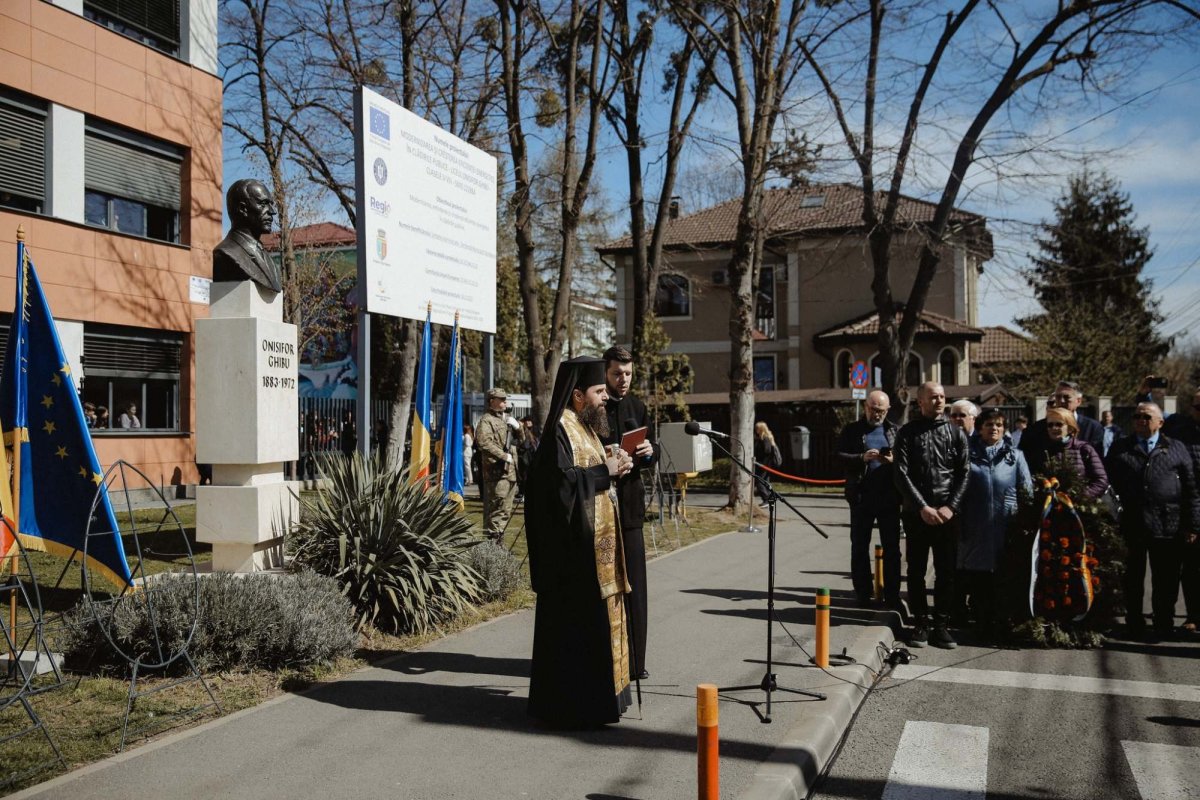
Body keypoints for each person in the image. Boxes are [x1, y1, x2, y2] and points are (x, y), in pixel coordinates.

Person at [525, 356, 634, 727]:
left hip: (592, 549)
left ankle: (600, 703)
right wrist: (606, 471)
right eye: (599, 391)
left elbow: (581, 470)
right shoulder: (560, 429)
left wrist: (610, 459)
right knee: (576, 635)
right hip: (573, 557)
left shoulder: (584, 428)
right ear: (576, 395)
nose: (606, 398)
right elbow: (560, 487)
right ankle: (575, 708)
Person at [1105, 402, 1200, 640]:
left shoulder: (1176, 448)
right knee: (1132, 578)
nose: (1140, 420)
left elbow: (1191, 490)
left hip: (1168, 525)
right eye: (1137, 416)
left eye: (1146, 416)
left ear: (1160, 423)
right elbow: (1107, 485)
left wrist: (1192, 525)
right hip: (1131, 524)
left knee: (1166, 580)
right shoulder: (1120, 448)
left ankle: (1163, 622)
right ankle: (1134, 622)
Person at [894, 381, 970, 649]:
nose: (939, 401)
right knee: (915, 570)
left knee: (946, 571)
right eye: (933, 397)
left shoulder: (956, 434)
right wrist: (922, 507)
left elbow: (964, 473)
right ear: (920, 402)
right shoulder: (907, 433)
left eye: (942, 397)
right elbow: (901, 473)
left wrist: (951, 506)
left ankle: (941, 625)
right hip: (917, 514)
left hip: (948, 514)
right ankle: (920, 624)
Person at [600, 345, 657, 681]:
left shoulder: (637, 406)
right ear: (605, 374)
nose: (623, 380)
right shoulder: (595, 406)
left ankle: (636, 661)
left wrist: (650, 452)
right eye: (617, 374)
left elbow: (651, 454)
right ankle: (607, 657)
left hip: (631, 506)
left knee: (636, 586)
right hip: (602, 507)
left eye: (628, 374)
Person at [957, 409, 1031, 634]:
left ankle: (999, 621)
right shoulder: (967, 455)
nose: (995, 428)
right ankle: (978, 618)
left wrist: (1022, 519)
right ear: (980, 428)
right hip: (974, 524)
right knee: (976, 574)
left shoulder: (1015, 456)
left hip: (1005, 525)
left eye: (999, 424)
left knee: (1002, 574)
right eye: (989, 424)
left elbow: (1026, 490)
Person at [835, 390, 901, 607]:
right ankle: (862, 592)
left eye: (881, 411)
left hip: (889, 497)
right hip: (861, 496)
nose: (877, 414)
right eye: (873, 409)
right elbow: (838, 457)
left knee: (892, 549)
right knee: (859, 547)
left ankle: (892, 594)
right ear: (865, 407)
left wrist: (893, 461)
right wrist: (861, 458)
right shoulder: (852, 430)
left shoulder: (894, 431)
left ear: (887, 410)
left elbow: (906, 462)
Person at [1163, 389, 1200, 635]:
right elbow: (1153, 422)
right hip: (1187, 504)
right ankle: (1193, 615)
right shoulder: (1179, 427)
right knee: (1191, 567)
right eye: (1198, 407)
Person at [213, 178, 283, 292]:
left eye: (271, 204)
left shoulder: (269, 260)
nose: (272, 211)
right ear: (243, 209)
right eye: (263, 204)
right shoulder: (226, 253)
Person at [1030, 407, 1108, 500]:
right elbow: (1034, 478)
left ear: (1070, 428)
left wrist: (1080, 497)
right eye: (1050, 425)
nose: (1054, 428)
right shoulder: (1041, 450)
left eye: (1059, 424)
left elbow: (1101, 480)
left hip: (1080, 507)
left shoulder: (1084, 449)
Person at [1021, 381, 1104, 467]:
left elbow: (1098, 463)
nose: (1061, 401)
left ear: (1078, 401)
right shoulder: (1036, 429)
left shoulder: (1093, 428)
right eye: (1058, 397)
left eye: (1066, 397)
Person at [476, 387, 520, 541]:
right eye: (501, 399)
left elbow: (523, 441)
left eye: (505, 399)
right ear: (491, 401)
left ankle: (498, 547)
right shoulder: (486, 420)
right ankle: (492, 548)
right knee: (496, 511)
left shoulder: (507, 419)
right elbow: (483, 443)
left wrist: (519, 428)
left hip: (510, 473)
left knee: (505, 511)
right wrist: (503, 456)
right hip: (496, 473)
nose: (504, 402)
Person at [753, 422, 782, 504]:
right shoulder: (764, 438)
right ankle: (770, 497)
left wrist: (761, 463)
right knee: (765, 482)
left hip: (763, 464)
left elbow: (767, 451)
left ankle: (766, 499)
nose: (756, 430)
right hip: (765, 464)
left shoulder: (765, 438)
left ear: (761, 429)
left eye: (757, 428)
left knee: (759, 482)